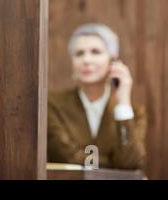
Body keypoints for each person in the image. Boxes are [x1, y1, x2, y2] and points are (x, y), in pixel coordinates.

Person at [47, 23, 146, 169]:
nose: (86, 60)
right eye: (79, 53)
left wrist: (124, 103)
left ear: (113, 60)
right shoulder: (52, 104)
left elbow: (130, 162)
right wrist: (114, 164)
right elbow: (67, 157)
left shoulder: (133, 113)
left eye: (96, 52)